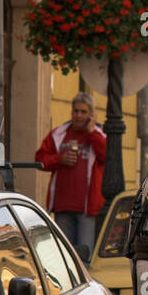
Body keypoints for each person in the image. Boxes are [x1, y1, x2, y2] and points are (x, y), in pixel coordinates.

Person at [34, 92, 106, 259]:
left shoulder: (98, 136)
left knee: (84, 257)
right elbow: (40, 159)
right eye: (75, 111)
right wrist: (60, 159)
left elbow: (107, 157)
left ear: (91, 115)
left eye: (83, 112)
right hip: (63, 206)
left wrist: (92, 132)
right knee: (64, 257)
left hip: (87, 209)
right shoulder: (59, 134)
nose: (78, 115)